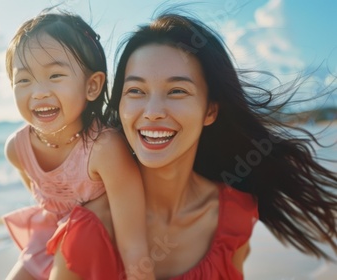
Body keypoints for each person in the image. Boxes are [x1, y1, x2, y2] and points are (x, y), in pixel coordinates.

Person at [47, 11, 337, 280]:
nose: (152, 111)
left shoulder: (234, 215)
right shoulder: (89, 232)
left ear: (210, 111)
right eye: (135, 90)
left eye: (177, 91)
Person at [2, 10, 154, 280]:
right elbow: (48, 206)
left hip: (100, 248)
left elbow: (133, 246)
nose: (38, 92)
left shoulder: (104, 149)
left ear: (92, 86)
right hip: (52, 239)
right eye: (23, 79)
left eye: (55, 75)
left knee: (79, 230)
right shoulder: (17, 150)